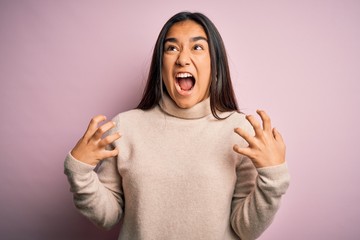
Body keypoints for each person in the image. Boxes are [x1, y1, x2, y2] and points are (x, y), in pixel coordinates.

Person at [64, 11, 290, 240]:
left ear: (215, 64)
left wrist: (273, 177)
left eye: (197, 47)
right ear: (160, 65)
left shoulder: (240, 132)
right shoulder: (126, 127)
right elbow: (108, 216)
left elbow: (245, 229)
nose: (182, 58)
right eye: (171, 48)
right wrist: (79, 172)